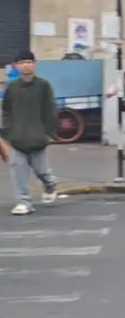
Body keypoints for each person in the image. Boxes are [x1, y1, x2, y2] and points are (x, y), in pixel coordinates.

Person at [1, 50, 59, 215]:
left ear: (34, 64)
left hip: (38, 137)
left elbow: (51, 111)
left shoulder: (43, 86)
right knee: (18, 169)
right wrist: (8, 131)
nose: (26, 65)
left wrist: (48, 133)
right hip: (17, 138)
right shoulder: (12, 87)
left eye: (29, 61)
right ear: (16, 65)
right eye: (22, 62)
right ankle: (23, 202)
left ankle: (50, 185)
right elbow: (6, 111)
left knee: (42, 170)